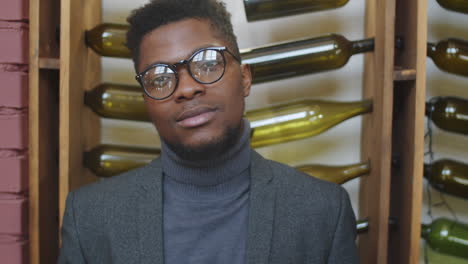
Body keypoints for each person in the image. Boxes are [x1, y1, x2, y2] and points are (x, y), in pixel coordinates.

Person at [58, 0, 359, 263]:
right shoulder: (90, 218)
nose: (187, 89)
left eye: (207, 64)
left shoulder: (322, 210)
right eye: (160, 78)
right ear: (146, 101)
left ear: (244, 78)